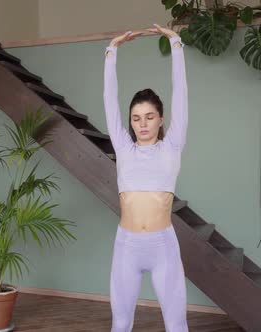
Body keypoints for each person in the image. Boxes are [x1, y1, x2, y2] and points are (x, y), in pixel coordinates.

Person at [103, 23, 189, 332]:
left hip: (163, 246)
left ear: (161, 119)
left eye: (149, 117)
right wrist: (112, 51)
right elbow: (109, 100)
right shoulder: (124, 148)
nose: (142, 124)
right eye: (136, 118)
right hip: (126, 245)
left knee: (177, 324)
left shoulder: (172, 147)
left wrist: (176, 44)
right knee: (121, 323)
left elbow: (180, 94)